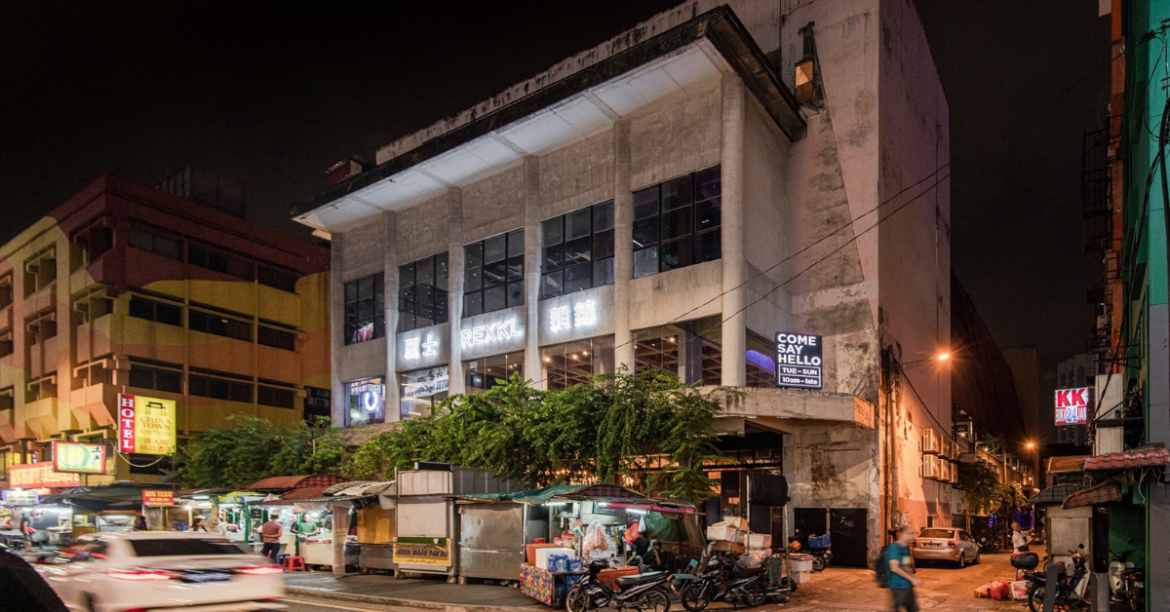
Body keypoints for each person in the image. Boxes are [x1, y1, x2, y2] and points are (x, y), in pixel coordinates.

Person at [887, 525, 922, 612]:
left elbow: (906, 567)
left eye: (912, 534)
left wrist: (911, 579)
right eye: (909, 533)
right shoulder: (894, 547)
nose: (912, 536)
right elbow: (894, 568)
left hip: (907, 586)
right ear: (902, 534)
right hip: (897, 586)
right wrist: (912, 579)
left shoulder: (906, 548)